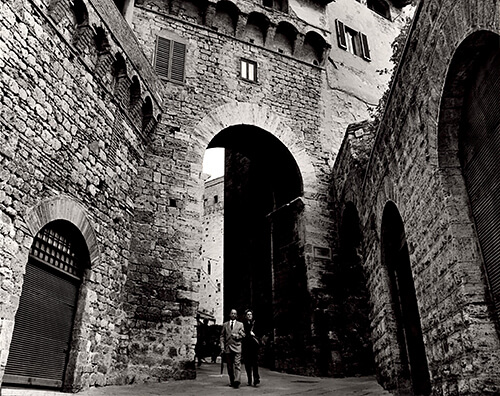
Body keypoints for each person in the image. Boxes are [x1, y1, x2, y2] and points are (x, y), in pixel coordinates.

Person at [220, 308, 245, 388]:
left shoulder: (240, 325)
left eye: (235, 313)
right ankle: (232, 380)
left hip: (237, 347)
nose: (233, 315)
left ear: (236, 315)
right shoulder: (225, 325)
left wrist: (237, 336)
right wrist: (222, 346)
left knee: (237, 364)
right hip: (228, 348)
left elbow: (243, 335)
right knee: (230, 366)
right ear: (229, 314)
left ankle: (237, 380)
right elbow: (222, 336)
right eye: (232, 313)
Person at [242, 309, 260, 387]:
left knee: (255, 363)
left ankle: (256, 378)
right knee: (247, 364)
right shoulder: (243, 324)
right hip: (246, 346)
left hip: (254, 346)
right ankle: (249, 379)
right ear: (246, 316)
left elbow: (259, 334)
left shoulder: (255, 324)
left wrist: (254, 334)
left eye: (250, 314)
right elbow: (243, 334)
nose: (249, 316)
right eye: (248, 314)